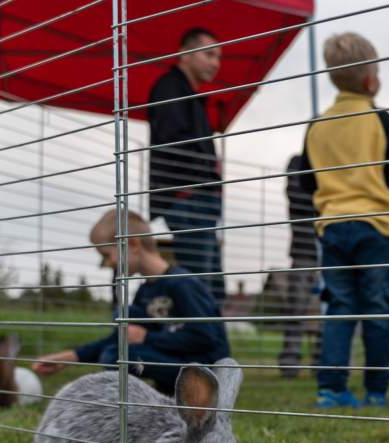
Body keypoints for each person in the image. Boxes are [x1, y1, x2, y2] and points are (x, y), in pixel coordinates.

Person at [298, 32, 389, 408]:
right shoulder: (379, 119)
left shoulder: (317, 125)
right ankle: (377, 391)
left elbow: (305, 178)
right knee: (378, 307)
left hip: (332, 226)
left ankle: (330, 388)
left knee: (340, 307)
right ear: (370, 80)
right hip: (375, 227)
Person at [32, 209, 230, 395]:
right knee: (121, 332)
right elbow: (121, 339)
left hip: (205, 374)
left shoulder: (182, 283)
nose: (108, 263)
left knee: (117, 355)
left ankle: (149, 398)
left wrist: (146, 338)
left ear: (133, 245)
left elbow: (206, 337)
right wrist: (69, 357)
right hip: (178, 365)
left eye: (106, 255)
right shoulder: (146, 291)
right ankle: (156, 394)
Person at [148, 27, 226, 302]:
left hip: (198, 198)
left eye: (218, 57)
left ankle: (206, 342)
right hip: (190, 198)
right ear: (186, 53)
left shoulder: (189, 96)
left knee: (212, 288)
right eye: (209, 54)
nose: (215, 63)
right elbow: (174, 142)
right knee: (199, 287)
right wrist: (206, 175)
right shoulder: (170, 88)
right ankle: (193, 342)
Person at [272, 154, 323, 378]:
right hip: (303, 249)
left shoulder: (330, 161)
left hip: (329, 248)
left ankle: (323, 363)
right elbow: (297, 195)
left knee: (329, 310)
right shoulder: (297, 163)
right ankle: (290, 364)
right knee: (296, 309)